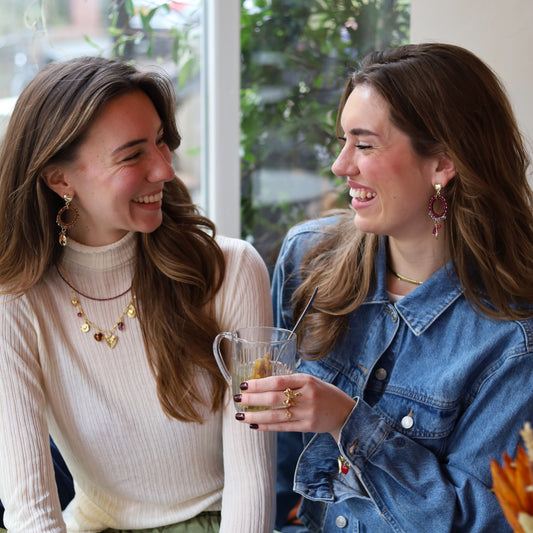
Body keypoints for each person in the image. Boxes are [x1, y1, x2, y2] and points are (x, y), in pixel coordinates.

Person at [233, 42, 533, 532]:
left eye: (365, 144)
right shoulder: (307, 259)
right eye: (343, 140)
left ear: (442, 163)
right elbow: (271, 466)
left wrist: (346, 420)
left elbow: (477, 521)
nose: (340, 165)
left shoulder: (514, 338)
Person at [0, 56, 276, 533]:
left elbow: (252, 482)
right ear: (59, 179)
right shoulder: (16, 299)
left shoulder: (231, 271)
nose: (165, 169)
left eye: (161, 142)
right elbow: (30, 508)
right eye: (132, 155)